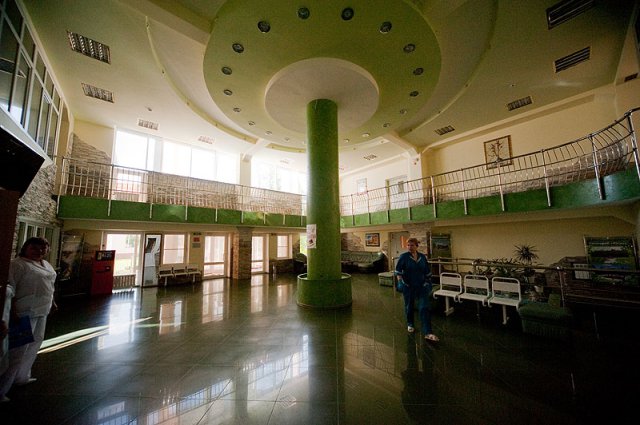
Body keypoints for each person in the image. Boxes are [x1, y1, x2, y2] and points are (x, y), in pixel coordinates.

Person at [0, 237, 57, 402]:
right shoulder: (17, 265)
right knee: (17, 351)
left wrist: (52, 302)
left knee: (34, 344)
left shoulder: (46, 265)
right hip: (24, 312)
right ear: (26, 248)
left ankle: (22, 376)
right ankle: (2, 388)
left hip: (42, 310)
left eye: (43, 248)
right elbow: (10, 288)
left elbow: (49, 286)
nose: (39, 251)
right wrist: (12, 311)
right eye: (34, 248)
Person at [395, 238, 439, 341]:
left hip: (421, 286)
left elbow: (427, 271)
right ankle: (410, 323)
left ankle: (428, 332)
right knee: (409, 306)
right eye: (408, 245)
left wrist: (428, 283)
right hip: (408, 286)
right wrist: (400, 282)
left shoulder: (422, 257)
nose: (410, 247)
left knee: (424, 307)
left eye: (412, 245)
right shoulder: (403, 257)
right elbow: (398, 271)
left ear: (416, 246)